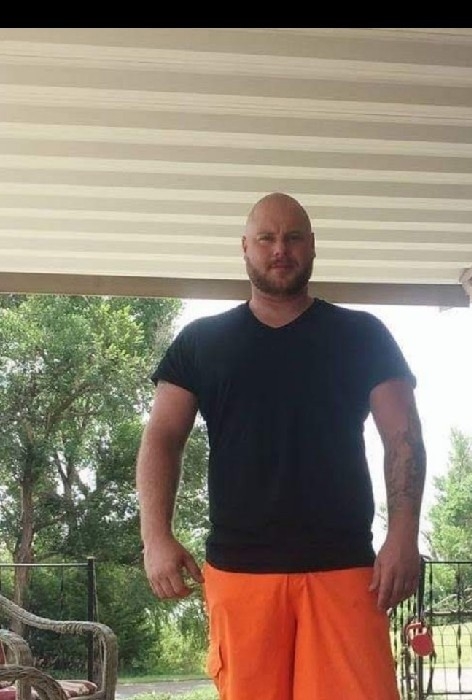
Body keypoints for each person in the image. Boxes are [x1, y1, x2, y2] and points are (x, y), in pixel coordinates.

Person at [136, 192, 427, 700]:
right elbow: (162, 438)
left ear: (312, 246)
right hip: (240, 571)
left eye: (293, 237)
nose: (280, 249)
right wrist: (155, 538)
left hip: (345, 569)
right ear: (244, 247)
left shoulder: (363, 335)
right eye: (266, 238)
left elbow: (403, 437)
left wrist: (403, 536)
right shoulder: (201, 342)